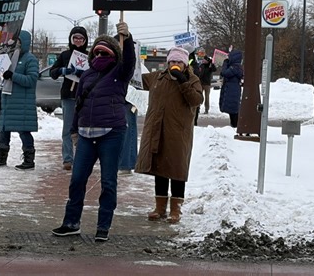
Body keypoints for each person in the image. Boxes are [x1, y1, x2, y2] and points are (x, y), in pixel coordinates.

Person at [52, 22, 135, 242]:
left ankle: (103, 226)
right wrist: (74, 132)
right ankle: (71, 222)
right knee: (77, 179)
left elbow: (129, 61)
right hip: (86, 135)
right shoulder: (86, 76)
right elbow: (78, 105)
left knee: (108, 181)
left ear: (114, 55)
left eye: (105, 52)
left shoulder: (120, 74)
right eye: (97, 51)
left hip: (112, 134)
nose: (100, 55)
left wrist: (126, 38)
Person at [135, 47, 203, 224]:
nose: (175, 65)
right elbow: (135, 81)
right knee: (160, 168)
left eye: (179, 62)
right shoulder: (158, 77)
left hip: (178, 132)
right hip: (158, 129)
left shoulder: (192, 79)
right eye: (172, 61)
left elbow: (196, 101)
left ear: (184, 64)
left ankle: (176, 210)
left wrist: (183, 83)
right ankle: (159, 208)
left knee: (177, 169)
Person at [0, 30, 39, 170]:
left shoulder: (30, 59)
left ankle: (29, 159)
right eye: (13, 41)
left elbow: (31, 80)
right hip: (7, 101)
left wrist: (13, 75)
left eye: (17, 41)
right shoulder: (7, 58)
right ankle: (1, 157)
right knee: (4, 130)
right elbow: (1, 79)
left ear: (24, 42)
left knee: (24, 131)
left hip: (21, 103)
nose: (14, 44)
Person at [50, 26, 89, 171]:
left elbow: (96, 74)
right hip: (68, 96)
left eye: (81, 38)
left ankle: (82, 158)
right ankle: (68, 159)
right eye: (75, 38)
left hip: (84, 97)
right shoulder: (65, 55)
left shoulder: (89, 56)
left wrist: (83, 74)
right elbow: (52, 72)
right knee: (67, 129)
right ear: (71, 39)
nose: (78, 41)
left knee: (82, 129)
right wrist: (62, 70)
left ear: (85, 40)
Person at [219, 49, 244, 128]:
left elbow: (224, 73)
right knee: (232, 110)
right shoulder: (236, 67)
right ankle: (234, 125)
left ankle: (235, 125)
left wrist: (225, 63)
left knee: (233, 110)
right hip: (231, 90)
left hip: (232, 91)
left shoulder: (235, 67)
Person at [118, 100, 138, 175]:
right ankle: (125, 164)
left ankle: (126, 164)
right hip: (121, 98)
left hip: (129, 100)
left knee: (128, 130)